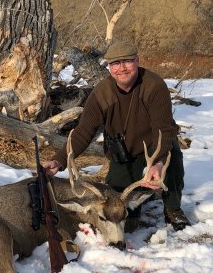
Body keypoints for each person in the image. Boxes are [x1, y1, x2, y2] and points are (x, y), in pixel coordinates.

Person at [43, 40, 191, 231]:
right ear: (109, 67)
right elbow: (83, 131)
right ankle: (137, 203)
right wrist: (59, 160)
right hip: (124, 150)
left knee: (172, 158)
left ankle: (173, 208)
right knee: (117, 199)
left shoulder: (154, 86)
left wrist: (159, 162)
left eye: (127, 62)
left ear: (137, 61)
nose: (122, 68)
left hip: (154, 143)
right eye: (115, 63)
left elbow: (164, 129)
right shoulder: (101, 94)